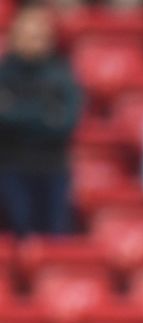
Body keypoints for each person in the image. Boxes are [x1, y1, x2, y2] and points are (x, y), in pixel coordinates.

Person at [0, 4, 81, 237]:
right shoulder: (3, 75)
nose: (33, 40)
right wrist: (44, 117)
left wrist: (15, 113)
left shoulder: (62, 74)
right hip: (9, 169)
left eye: (39, 35)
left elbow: (65, 123)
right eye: (28, 34)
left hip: (53, 169)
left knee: (55, 241)